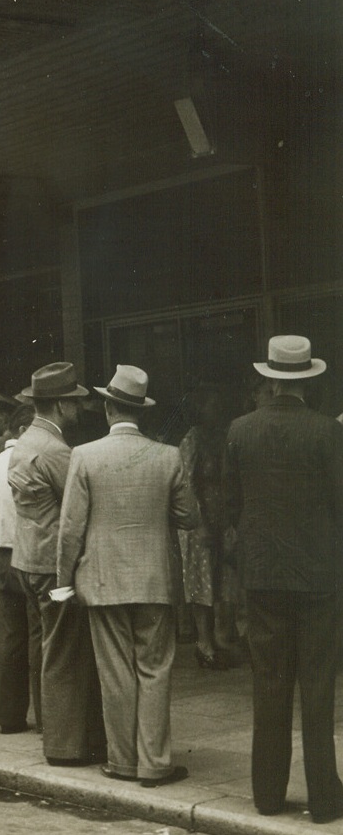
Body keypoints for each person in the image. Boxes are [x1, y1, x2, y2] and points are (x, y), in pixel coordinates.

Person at [57, 365, 199, 788]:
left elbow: (70, 528)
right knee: (155, 668)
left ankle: (122, 760)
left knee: (115, 672)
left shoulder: (84, 455)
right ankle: (156, 763)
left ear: (106, 407)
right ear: (142, 412)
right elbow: (188, 517)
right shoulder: (168, 455)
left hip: (102, 580)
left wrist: (65, 579)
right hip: (155, 578)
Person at [224, 335, 343, 824]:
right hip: (318, 577)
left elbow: (232, 505)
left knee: (269, 683)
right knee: (317, 687)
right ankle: (324, 800)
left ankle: (268, 794)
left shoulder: (239, 430)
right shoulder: (326, 433)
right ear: (308, 379)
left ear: (269, 380)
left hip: (264, 574)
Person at [8, 361, 105, 766]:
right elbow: (84, 504)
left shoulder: (23, 444)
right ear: (61, 405)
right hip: (53, 565)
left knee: (49, 648)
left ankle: (62, 738)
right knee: (65, 653)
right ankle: (66, 746)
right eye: (75, 402)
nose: (80, 409)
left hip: (28, 557)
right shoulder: (56, 450)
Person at [0, 403, 39, 734]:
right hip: (30, 554)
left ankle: (10, 715)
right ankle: (48, 716)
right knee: (40, 636)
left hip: (0, 555)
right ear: (23, 431)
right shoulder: (35, 460)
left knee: (10, 639)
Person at [177, 386, 234, 669]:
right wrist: (197, 523)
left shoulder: (222, 437)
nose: (217, 410)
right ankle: (204, 642)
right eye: (212, 405)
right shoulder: (193, 439)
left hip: (220, 515)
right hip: (199, 519)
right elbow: (185, 482)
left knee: (219, 580)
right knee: (202, 582)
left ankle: (218, 638)